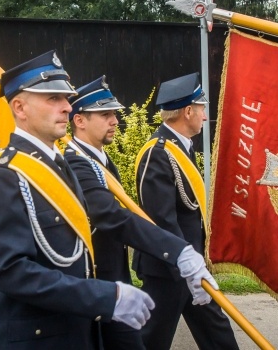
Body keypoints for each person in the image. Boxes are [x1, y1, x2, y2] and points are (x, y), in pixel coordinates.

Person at [0, 50, 156, 350]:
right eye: (53, 98)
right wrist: (104, 297)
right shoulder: (7, 175)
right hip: (35, 339)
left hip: (75, 331)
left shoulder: (60, 165)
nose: (66, 107)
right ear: (19, 107)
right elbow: (12, 272)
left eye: (66, 98)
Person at [64, 76, 219, 350]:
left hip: (115, 277)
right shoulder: (76, 162)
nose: (114, 121)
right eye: (105, 114)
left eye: (114, 114)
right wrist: (180, 252)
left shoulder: (98, 158)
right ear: (80, 120)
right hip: (96, 281)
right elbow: (112, 215)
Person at [133, 72, 239, 349]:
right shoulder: (158, 152)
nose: (205, 117)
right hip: (168, 269)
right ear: (188, 111)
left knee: (218, 333)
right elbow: (162, 218)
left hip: (189, 265)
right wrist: (187, 264)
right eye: (202, 109)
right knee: (151, 340)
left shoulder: (180, 148)